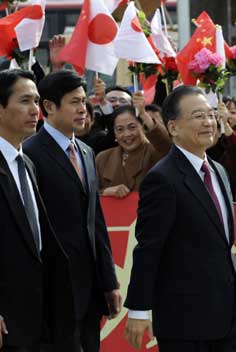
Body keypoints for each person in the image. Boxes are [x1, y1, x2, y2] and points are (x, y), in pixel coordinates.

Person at [124, 85, 236, 352]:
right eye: (197, 116)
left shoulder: (218, 171)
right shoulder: (162, 178)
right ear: (173, 127)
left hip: (228, 314)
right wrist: (138, 309)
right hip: (185, 320)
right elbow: (148, 247)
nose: (208, 122)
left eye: (209, 114)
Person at [23, 70, 121, 352]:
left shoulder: (87, 152)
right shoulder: (29, 154)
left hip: (90, 289)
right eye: (74, 102)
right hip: (53, 292)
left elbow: (96, 222)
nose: (82, 110)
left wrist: (109, 280)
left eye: (84, 102)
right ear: (50, 107)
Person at [0, 69, 74, 351]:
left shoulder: (26, 164)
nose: (35, 110)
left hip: (41, 315)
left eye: (37, 101)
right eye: (25, 101)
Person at [96, 104, 171, 198]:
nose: (127, 134)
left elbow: (167, 145)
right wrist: (105, 192)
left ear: (143, 127)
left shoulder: (155, 152)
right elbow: (91, 193)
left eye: (132, 127)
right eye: (120, 129)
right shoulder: (103, 158)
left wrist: (143, 114)